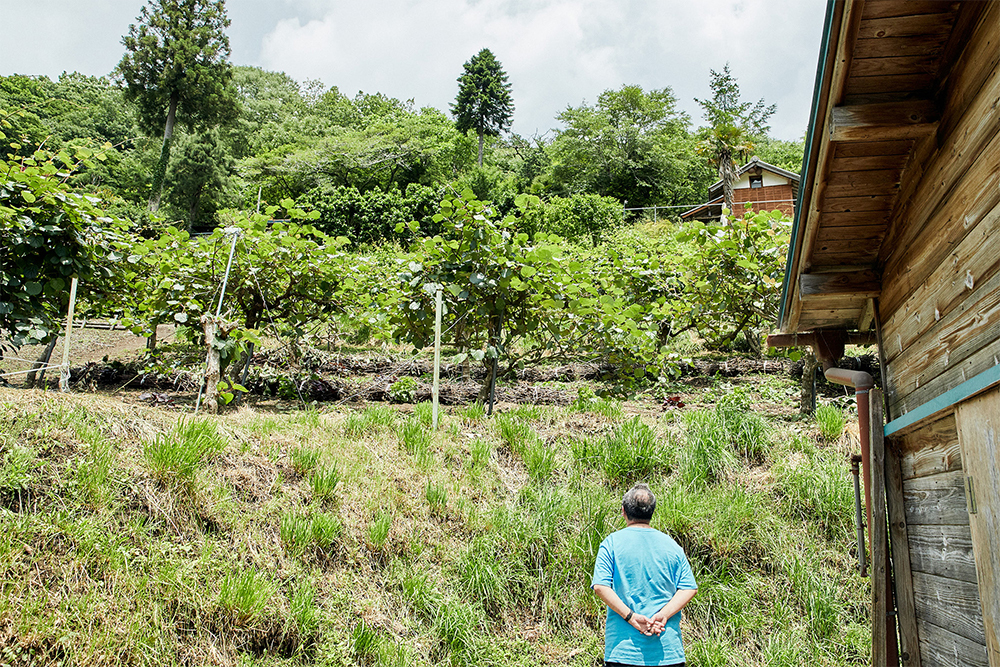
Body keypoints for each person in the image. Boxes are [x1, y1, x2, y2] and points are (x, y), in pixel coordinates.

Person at [591, 483, 697, 667]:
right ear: (652, 513)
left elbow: (600, 586)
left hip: (623, 652)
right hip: (668, 652)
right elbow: (689, 588)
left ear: (623, 511)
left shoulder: (611, 543)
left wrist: (631, 617)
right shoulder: (672, 546)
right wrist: (663, 615)